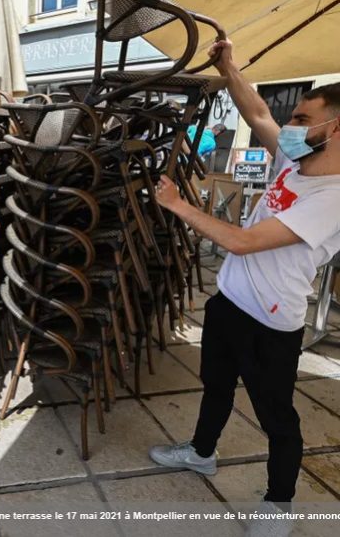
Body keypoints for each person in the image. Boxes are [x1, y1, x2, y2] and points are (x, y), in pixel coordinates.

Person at [148, 38, 340, 537]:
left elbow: (242, 240)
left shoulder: (333, 198)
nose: (291, 127)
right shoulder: (293, 164)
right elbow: (255, 111)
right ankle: (201, 452)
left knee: (277, 416)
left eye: (301, 119)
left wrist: (178, 205)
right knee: (215, 385)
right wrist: (227, 65)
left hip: (271, 323)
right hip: (229, 303)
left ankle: (279, 504)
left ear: (334, 129)